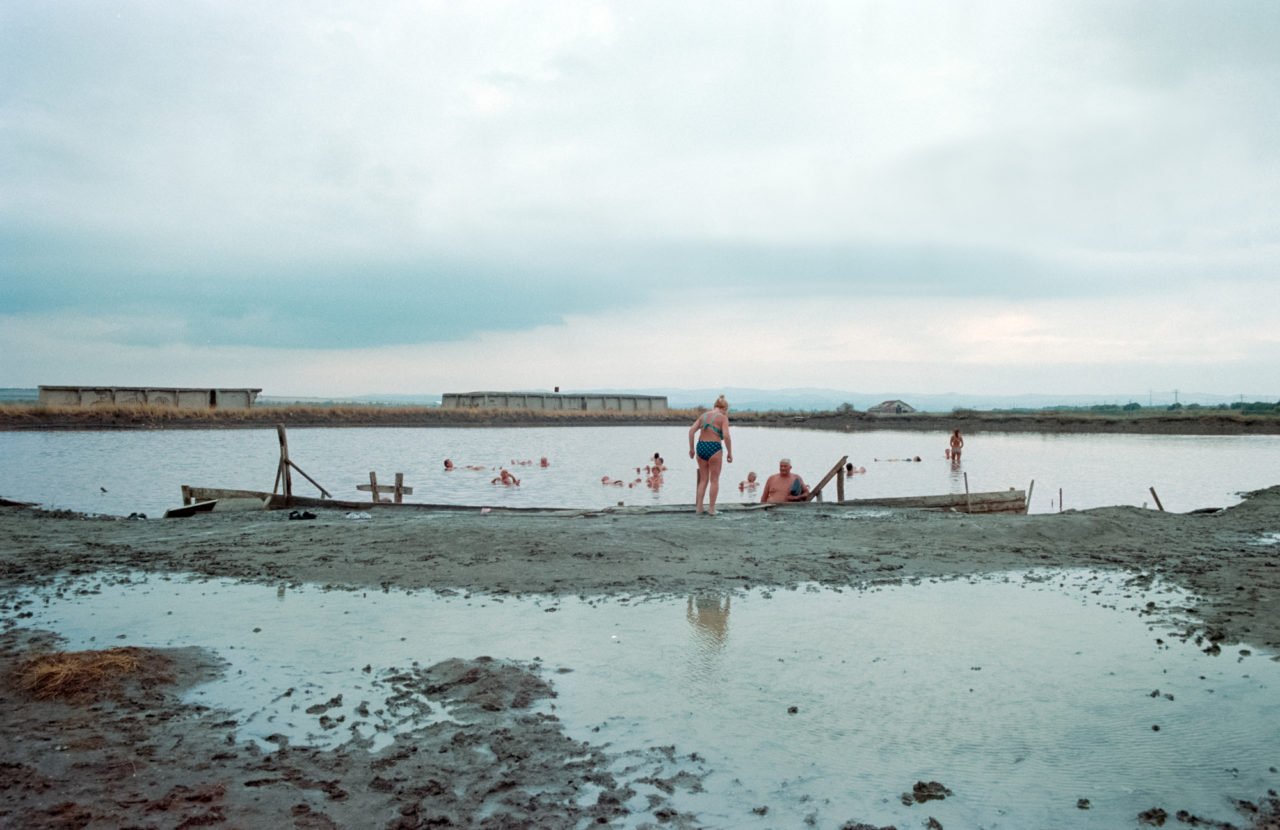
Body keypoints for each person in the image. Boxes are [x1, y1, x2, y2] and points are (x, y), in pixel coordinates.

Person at [688, 394, 733, 515]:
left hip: (701, 447)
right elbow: (727, 436)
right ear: (725, 409)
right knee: (714, 480)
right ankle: (712, 509)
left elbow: (691, 431)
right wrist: (729, 452)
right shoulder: (722, 418)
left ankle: (699, 508)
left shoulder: (703, 416)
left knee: (703, 479)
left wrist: (691, 449)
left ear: (714, 406)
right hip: (714, 447)